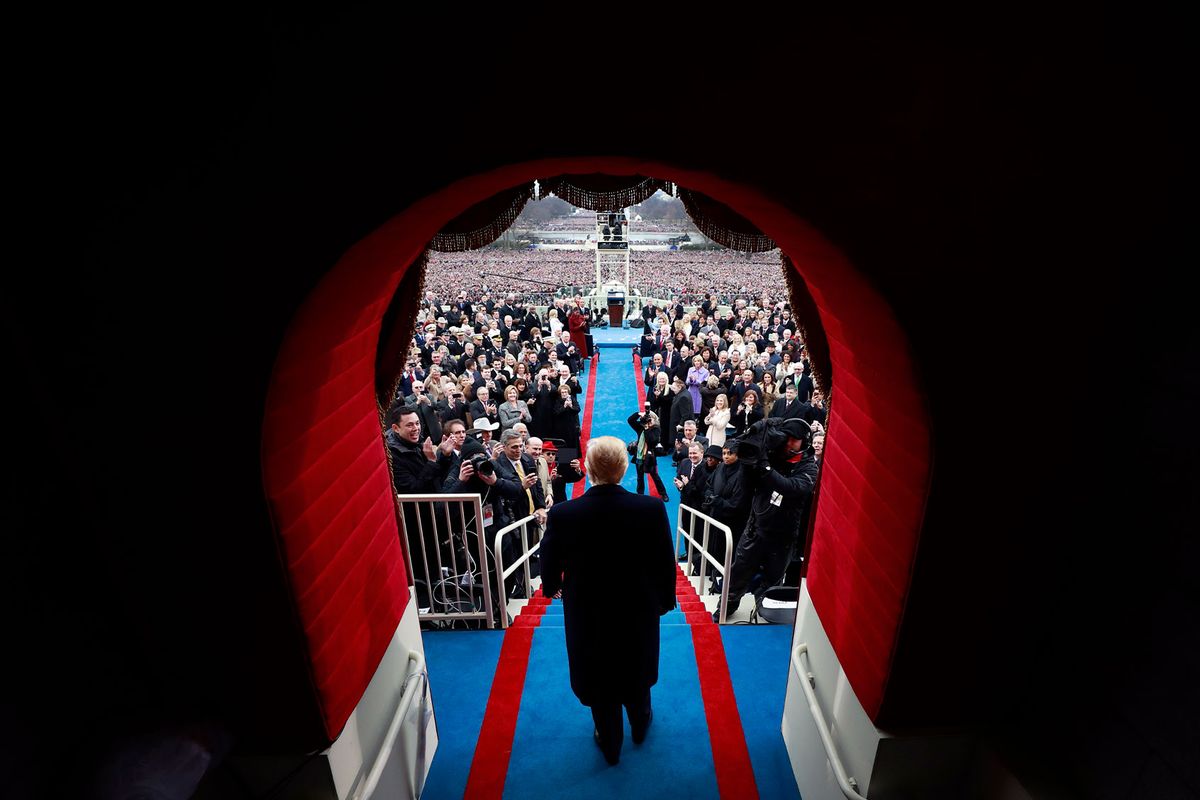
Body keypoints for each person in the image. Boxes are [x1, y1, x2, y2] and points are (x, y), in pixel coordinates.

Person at [538, 436, 677, 766]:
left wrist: (550, 586)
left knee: (597, 673)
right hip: (638, 609)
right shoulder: (651, 508)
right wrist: (665, 600)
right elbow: (663, 558)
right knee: (636, 664)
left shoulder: (563, 514)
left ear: (586, 468)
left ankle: (610, 741)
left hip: (587, 611)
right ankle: (641, 723)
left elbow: (549, 561)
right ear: (625, 467)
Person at [717, 418, 820, 622]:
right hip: (756, 528)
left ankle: (764, 615)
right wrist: (753, 454)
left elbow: (791, 488)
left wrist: (765, 467)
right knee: (738, 573)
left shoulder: (809, 468)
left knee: (772, 580)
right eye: (787, 439)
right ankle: (725, 608)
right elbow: (748, 480)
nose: (789, 444)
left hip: (784, 536)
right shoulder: (771, 455)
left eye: (795, 441)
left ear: (805, 442)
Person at [628, 409, 667, 499]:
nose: (649, 421)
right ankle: (640, 494)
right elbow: (630, 420)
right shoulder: (640, 427)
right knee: (640, 477)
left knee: (655, 476)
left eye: (650, 419)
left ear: (654, 420)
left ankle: (663, 493)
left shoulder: (656, 429)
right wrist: (638, 414)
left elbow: (651, 440)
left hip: (650, 457)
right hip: (639, 455)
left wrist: (646, 428)